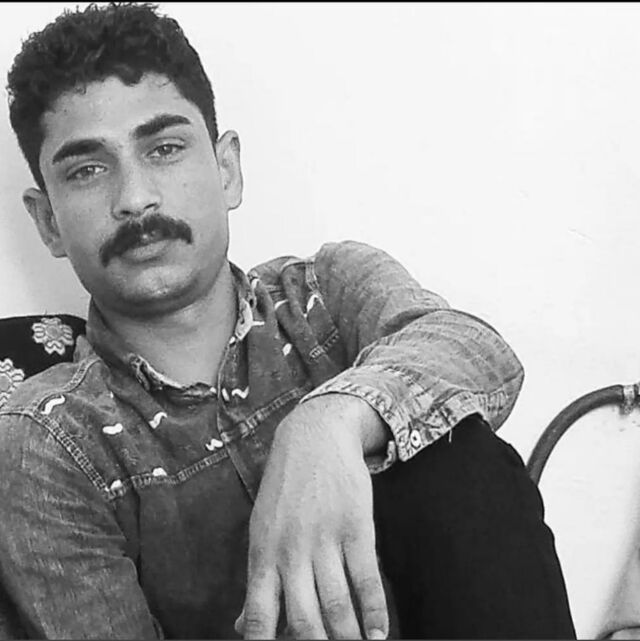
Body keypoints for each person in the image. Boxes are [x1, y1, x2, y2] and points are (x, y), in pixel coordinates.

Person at [0, 3, 575, 639]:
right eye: (87, 170)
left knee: (454, 449)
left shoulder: (326, 293)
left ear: (227, 170)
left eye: (164, 148)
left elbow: (476, 352)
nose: (135, 198)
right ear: (48, 222)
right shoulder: (48, 445)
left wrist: (329, 424)